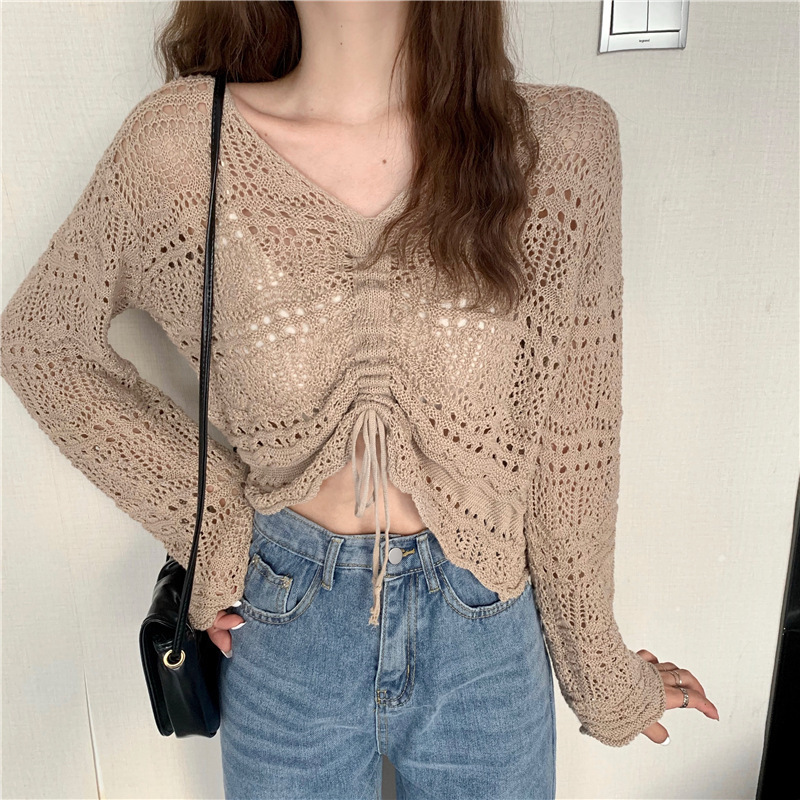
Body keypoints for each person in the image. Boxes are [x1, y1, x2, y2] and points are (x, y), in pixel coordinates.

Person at [0, 1, 718, 798]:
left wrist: (601, 672)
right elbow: (41, 340)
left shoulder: (558, 148)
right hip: (286, 624)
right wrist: (217, 526)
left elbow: (573, 436)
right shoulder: (182, 147)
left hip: (486, 635)